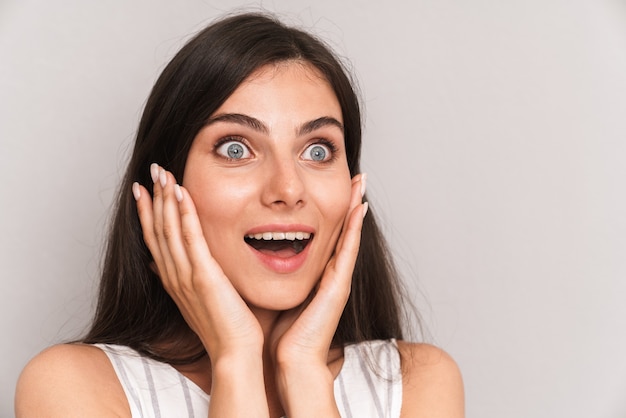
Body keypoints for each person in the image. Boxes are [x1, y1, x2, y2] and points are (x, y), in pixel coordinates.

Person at [15, 12, 464, 417]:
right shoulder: (73, 387)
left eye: (317, 149)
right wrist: (236, 358)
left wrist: (304, 369)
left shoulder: (414, 382)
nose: (288, 189)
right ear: (166, 186)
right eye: (236, 149)